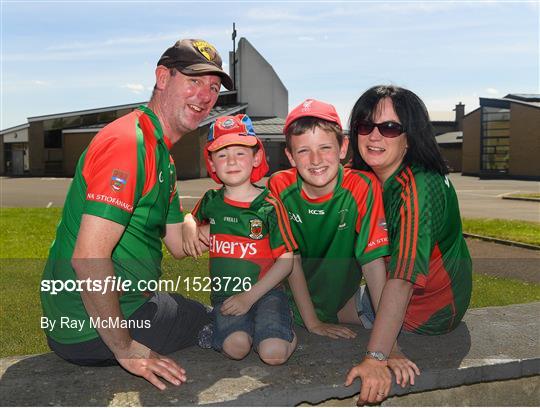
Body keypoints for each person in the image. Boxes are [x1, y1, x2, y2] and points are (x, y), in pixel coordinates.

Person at [40, 38, 233, 390]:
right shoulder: (129, 143)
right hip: (90, 326)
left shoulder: (163, 157)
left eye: (213, 87)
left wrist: (221, 223)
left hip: (113, 307)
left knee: (193, 311)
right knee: (222, 323)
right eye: (193, 81)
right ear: (162, 78)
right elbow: (89, 258)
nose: (205, 96)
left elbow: (178, 243)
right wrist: (127, 349)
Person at [345, 85, 473, 405]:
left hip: (428, 312)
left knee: (323, 307)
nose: (374, 136)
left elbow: (400, 281)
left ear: (409, 136)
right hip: (415, 294)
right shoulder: (376, 175)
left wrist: (378, 356)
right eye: (365, 126)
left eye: (389, 128)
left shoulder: (414, 188)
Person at [267, 99, 390, 340]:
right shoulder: (280, 186)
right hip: (290, 302)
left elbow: (373, 262)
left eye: (325, 148)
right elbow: (292, 260)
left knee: (412, 313)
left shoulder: (362, 186)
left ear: (343, 148)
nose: (315, 160)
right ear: (290, 156)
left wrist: (389, 345)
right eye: (303, 150)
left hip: (342, 303)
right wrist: (313, 323)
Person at [187, 114, 298, 365]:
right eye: (222, 154)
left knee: (273, 355)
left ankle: (284, 327)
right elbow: (191, 219)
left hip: (267, 293)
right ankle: (221, 324)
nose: (232, 161)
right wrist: (188, 226)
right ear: (212, 164)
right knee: (237, 348)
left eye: (240, 153)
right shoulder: (210, 201)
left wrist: (248, 298)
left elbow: (286, 262)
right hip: (226, 294)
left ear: (256, 157)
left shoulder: (269, 205)